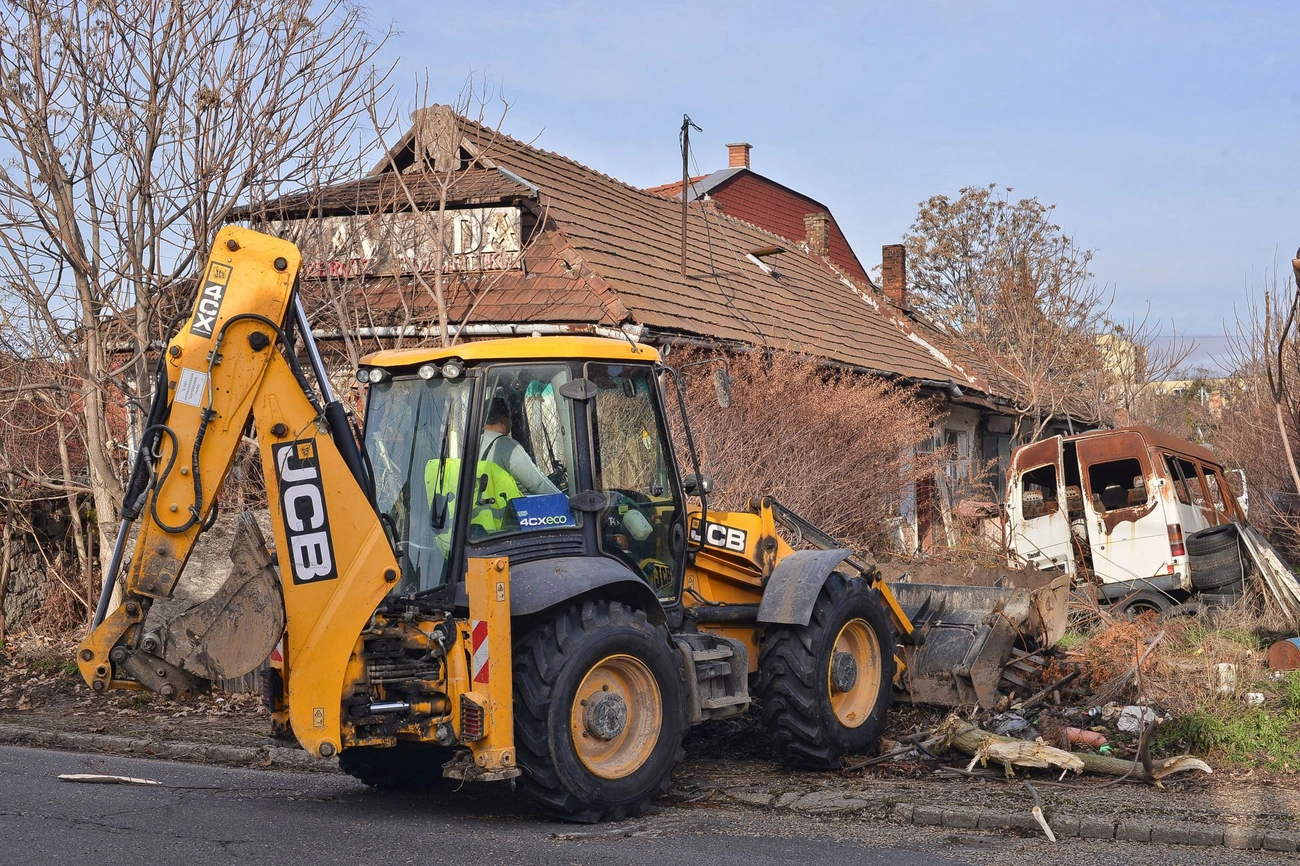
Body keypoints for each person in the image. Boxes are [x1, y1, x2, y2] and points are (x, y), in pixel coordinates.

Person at [480, 396, 560, 497]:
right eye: (510, 418)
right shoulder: (505, 445)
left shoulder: (474, 443)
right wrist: (565, 500)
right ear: (504, 419)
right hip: (505, 506)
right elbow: (538, 484)